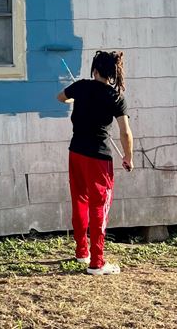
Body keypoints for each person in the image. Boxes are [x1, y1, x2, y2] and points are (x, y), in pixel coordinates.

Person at [56, 50, 134, 275]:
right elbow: (125, 133)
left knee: (79, 201)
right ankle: (97, 263)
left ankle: (82, 252)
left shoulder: (80, 86)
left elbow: (60, 97)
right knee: (99, 207)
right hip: (98, 158)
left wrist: (75, 95)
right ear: (113, 73)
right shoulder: (115, 97)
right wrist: (128, 157)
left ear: (95, 70)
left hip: (76, 153)